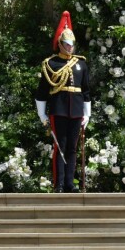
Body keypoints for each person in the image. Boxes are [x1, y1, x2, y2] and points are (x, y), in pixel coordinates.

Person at [35, 11, 91, 193]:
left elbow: (86, 90)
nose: (69, 47)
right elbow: (42, 91)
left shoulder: (81, 64)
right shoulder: (51, 64)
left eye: (71, 44)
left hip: (76, 111)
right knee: (60, 147)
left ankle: (69, 183)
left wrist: (87, 113)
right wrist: (41, 113)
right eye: (66, 44)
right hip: (58, 109)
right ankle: (58, 184)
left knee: (72, 148)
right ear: (59, 44)